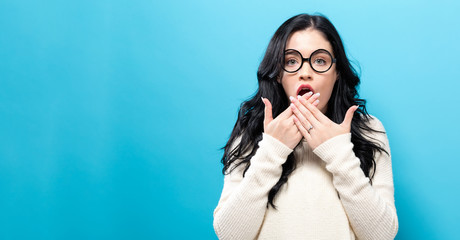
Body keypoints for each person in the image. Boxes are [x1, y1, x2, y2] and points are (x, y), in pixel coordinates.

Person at [212, 13, 399, 240]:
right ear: (278, 74)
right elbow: (230, 235)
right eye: (291, 61)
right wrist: (272, 151)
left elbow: (381, 236)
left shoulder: (369, 130)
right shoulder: (252, 131)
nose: (305, 73)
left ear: (337, 72)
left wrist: (339, 154)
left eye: (320, 61)